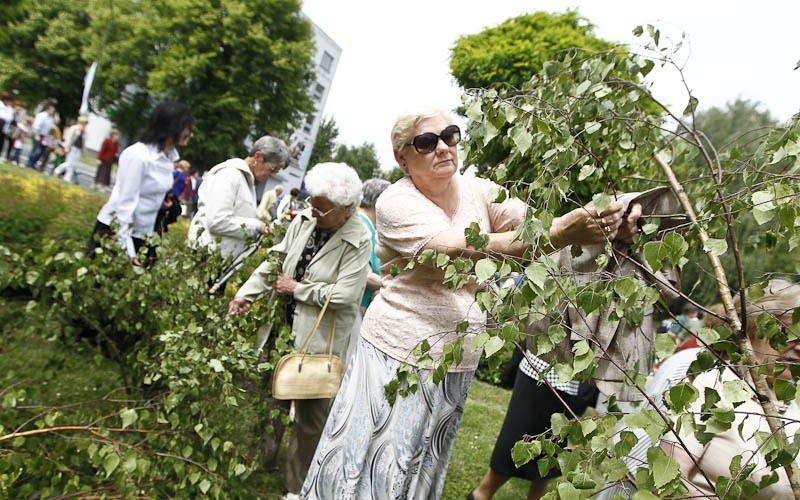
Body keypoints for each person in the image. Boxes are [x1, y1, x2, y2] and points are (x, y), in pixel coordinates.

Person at [301, 108, 634, 499]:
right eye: (426, 142)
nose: (442, 147)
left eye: (450, 135)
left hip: (455, 359)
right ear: (402, 158)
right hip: (396, 356)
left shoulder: (481, 190)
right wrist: (563, 231)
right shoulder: (396, 203)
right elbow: (461, 249)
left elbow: (533, 230)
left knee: (422, 458)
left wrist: (610, 217)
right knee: (371, 458)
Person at [228, 162, 371, 499]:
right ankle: (261, 460)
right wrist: (245, 293)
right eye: (312, 203)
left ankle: (296, 485)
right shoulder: (306, 221)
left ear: (347, 207)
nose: (314, 211)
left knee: (311, 418)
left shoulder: (359, 238)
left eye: (322, 207)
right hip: (283, 327)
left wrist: (298, 289)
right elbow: (275, 262)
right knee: (270, 399)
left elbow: (347, 294)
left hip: (321, 342)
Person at [87, 101, 195, 267]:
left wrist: (162, 203)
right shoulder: (139, 155)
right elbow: (125, 202)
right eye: (187, 128)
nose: (190, 134)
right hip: (117, 232)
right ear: (172, 127)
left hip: (144, 233)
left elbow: (150, 191)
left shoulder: (168, 159)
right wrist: (127, 248)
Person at [188, 136, 289, 258]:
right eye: (273, 169)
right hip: (205, 255)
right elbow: (217, 221)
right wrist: (256, 226)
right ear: (258, 157)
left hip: (215, 256)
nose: (272, 175)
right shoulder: (230, 175)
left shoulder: (246, 180)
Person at [357, 177, 390, 310]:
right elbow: (365, 276)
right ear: (378, 200)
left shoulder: (369, 226)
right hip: (357, 305)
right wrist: (396, 286)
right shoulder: (362, 227)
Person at [53, 115, 88, 183]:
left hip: (78, 149)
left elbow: (84, 142)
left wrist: (84, 150)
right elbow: (69, 138)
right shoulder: (75, 128)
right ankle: (57, 170)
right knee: (69, 162)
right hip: (72, 147)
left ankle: (67, 177)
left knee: (73, 164)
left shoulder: (84, 131)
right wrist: (67, 147)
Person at [26, 102, 56, 170]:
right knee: (36, 149)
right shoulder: (42, 116)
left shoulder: (50, 118)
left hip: (45, 136)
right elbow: (37, 126)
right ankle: (29, 163)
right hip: (38, 134)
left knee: (42, 151)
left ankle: (33, 163)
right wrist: (37, 135)